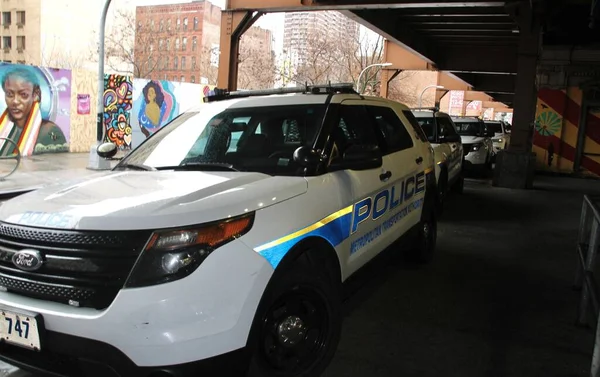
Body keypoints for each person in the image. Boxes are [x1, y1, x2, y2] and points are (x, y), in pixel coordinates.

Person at [0, 67, 67, 157]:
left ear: (35, 95)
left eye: (23, 94)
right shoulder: (3, 128)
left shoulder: (50, 131)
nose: (15, 101)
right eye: (9, 94)